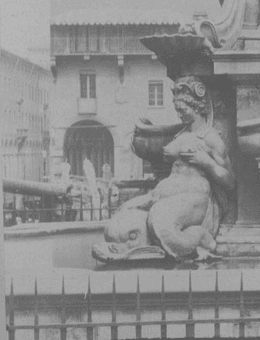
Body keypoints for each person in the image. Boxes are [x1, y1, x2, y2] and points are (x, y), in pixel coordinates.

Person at [94, 77, 233, 261]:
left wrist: (205, 161)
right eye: (177, 110)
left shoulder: (210, 138)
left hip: (193, 199)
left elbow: (229, 181)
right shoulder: (180, 135)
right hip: (163, 195)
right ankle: (131, 250)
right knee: (120, 219)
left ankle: (200, 237)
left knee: (160, 220)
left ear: (198, 107)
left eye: (183, 110)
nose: (180, 115)